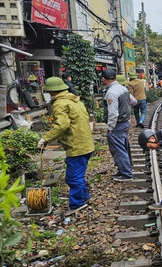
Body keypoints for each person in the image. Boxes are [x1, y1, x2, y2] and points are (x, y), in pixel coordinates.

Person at [37, 77, 94, 213]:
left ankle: (77, 204)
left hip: (77, 146)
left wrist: (45, 139)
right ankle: (84, 197)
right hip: (86, 144)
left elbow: (62, 125)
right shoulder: (75, 100)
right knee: (78, 175)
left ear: (51, 92)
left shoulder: (60, 103)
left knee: (73, 178)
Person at [101, 69, 133, 181]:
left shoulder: (111, 92)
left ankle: (126, 173)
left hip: (117, 125)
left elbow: (113, 112)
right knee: (123, 147)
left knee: (118, 149)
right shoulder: (122, 88)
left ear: (103, 79)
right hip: (125, 122)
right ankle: (122, 170)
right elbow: (132, 103)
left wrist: (110, 128)